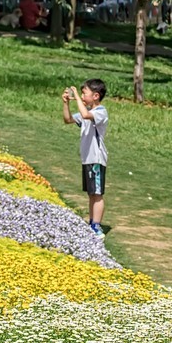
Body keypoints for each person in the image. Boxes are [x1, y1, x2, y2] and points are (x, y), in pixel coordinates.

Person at [61, 78, 110, 236]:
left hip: (96, 159)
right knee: (91, 193)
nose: (82, 96)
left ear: (96, 96)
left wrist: (76, 97)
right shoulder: (86, 111)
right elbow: (68, 119)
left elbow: (85, 114)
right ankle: (91, 223)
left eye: (84, 93)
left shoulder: (100, 112)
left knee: (97, 194)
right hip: (87, 159)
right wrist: (66, 103)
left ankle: (96, 226)